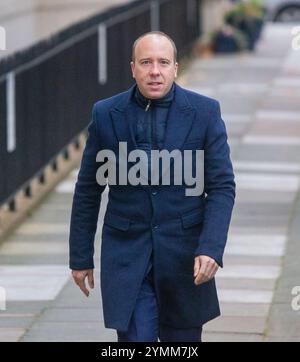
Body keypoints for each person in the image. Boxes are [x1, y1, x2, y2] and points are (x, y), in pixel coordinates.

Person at [69, 31, 235, 342]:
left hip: (185, 258)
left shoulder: (204, 112)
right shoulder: (106, 114)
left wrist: (211, 247)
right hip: (127, 256)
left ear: (175, 67)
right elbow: (88, 188)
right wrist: (80, 256)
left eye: (162, 62)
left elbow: (222, 186)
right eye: (146, 62)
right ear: (133, 68)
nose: (154, 71)